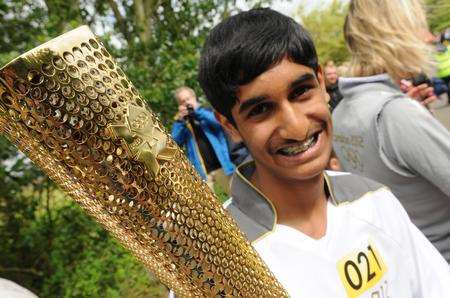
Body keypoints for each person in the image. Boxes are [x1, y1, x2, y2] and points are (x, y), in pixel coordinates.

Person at [198, 7, 450, 297]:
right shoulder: (214, 262)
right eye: (261, 109)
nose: (295, 127)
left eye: (301, 92)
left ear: (321, 82)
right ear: (229, 124)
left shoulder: (373, 199)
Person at [332, 0, 450, 263]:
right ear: (396, 32)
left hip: (410, 258)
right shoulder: (394, 114)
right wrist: (408, 115)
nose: (429, 37)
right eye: (420, 26)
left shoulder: (341, 114)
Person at [171, 86, 234, 193]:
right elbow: (174, 143)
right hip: (203, 173)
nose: (186, 103)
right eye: (183, 101)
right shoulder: (181, 122)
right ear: (179, 105)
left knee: (238, 198)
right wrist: (181, 121)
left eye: (188, 99)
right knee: (210, 207)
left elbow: (218, 123)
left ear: (194, 98)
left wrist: (197, 112)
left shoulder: (206, 111)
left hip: (223, 165)